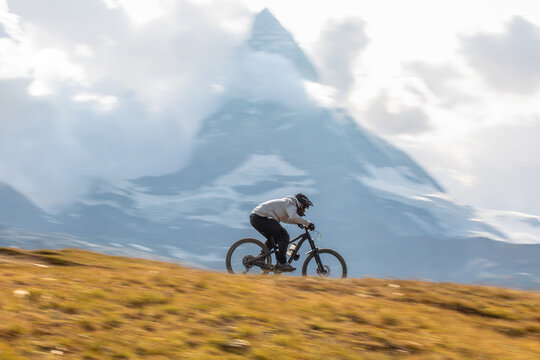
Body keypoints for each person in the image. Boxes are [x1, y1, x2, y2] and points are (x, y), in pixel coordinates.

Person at [250, 193, 315, 272]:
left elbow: (286, 219)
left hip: (257, 218)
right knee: (284, 236)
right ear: (301, 204)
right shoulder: (290, 203)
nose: (304, 210)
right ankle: (282, 263)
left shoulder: (288, 204)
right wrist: (308, 223)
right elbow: (293, 216)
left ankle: (260, 257)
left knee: (274, 238)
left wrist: (298, 222)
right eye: (305, 207)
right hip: (261, 217)